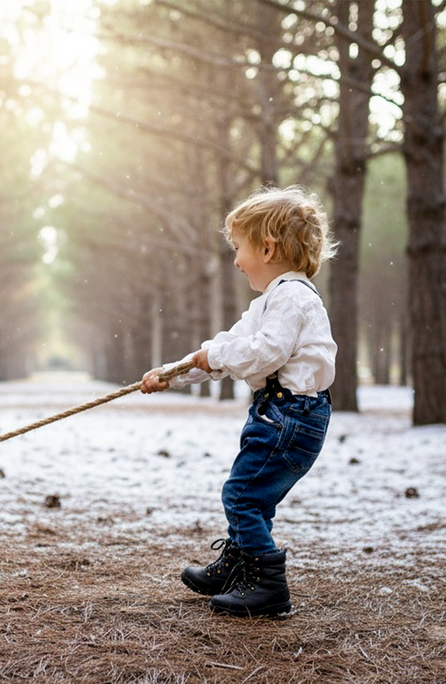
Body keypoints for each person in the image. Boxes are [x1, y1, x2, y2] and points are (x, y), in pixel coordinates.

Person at [140, 185, 338, 617]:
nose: (235, 259)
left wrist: (215, 356)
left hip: (292, 416)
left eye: (239, 248)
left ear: (267, 249)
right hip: (278, 414)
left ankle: (269, 586)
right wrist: (171, 374)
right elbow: (226, 347)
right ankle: (240, 566)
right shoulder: (271, 299)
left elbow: (265, 353)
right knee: (254, 496)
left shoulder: (292, 298)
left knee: (243, 495)